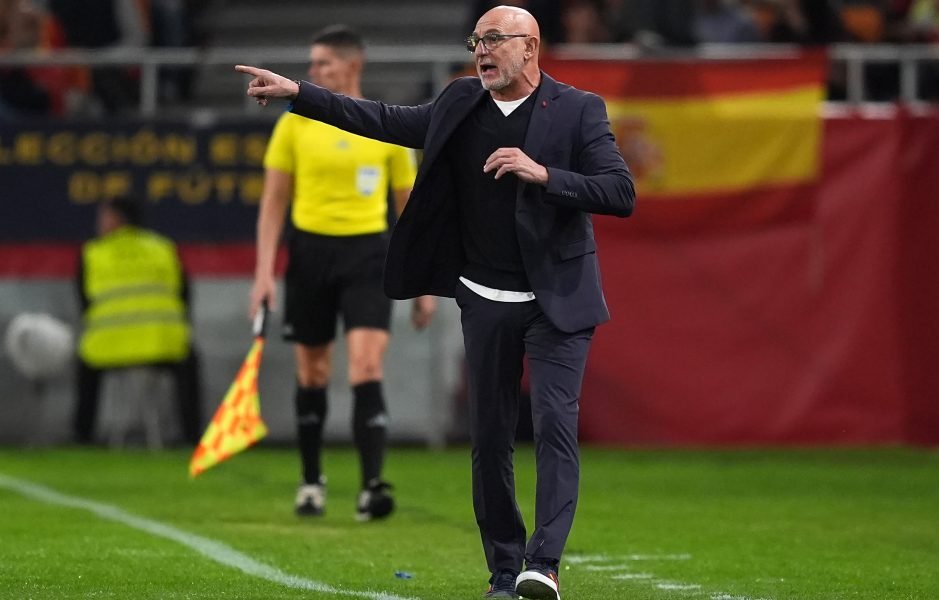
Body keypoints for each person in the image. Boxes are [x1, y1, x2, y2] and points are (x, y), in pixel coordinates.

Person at [237, 5, 635, 598]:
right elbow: (382, 118)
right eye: (477, 40)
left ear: (530, 47)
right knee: (490, 439)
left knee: (555, 427)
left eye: (494, 39)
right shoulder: (460, 101)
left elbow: (620, 191)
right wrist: (301, 93)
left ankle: (543, 565)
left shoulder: (579, 109)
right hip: (486, 297)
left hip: (558, 300)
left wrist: (545, 174)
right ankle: (505, 570)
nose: (482, 50)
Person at [248, 25, 436, 521]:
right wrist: (263, 274)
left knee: (366, 367)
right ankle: (312, 482)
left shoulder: (385, 126)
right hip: (309, 253)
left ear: (352, 65)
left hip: (368, 255)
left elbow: (409, 211)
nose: (313, 71)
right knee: (312, 371)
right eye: (312, 64)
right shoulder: (294, 125)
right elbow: (273, 203)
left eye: (323, 63)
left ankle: (372, 487)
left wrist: (423, 282)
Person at [75, 196, 202, 445]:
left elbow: (84, 303)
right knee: (189, 362)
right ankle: (191, 435)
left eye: (103, 216)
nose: (99, 223)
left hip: (108, 346)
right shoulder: (163, 248)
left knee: (85, 365)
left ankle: (83, 435)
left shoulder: (92, 253)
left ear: (117, 219)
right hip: (162, 345)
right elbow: (184, 296)